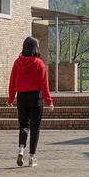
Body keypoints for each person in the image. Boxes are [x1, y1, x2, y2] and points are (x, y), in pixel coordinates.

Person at [8, 36, 54, 167]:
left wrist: (11, 98)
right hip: (35, 98)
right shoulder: (39, 63)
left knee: (23, 125)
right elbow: (44, 85)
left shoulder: (17, 63)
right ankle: (32, 157)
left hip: (21, 98)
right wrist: (49, 102)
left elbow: (12, 82)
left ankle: (21, 148)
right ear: (35, 47)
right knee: (35, 127)